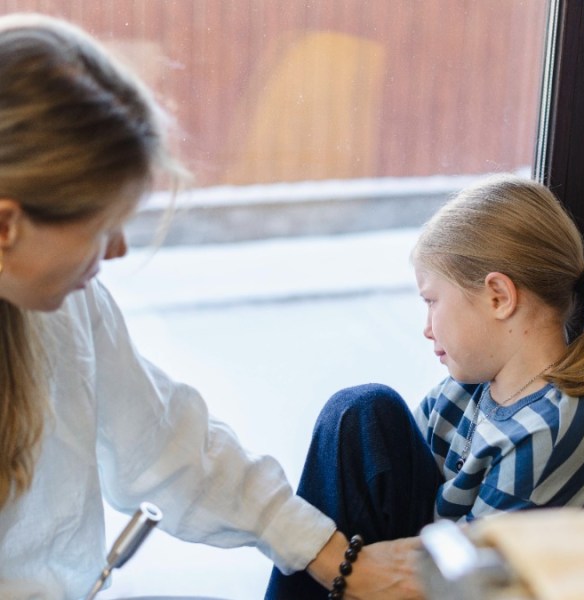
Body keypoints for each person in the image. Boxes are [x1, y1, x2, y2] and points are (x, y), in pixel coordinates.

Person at [0, 13, 420, 600]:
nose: (119, 250)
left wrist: (336, 559)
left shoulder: (69, 306)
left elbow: (166, 441)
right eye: (101, 227)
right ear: (6, 226)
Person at [266, 173, 584, 599]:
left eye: (432, 301)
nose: (427, 328)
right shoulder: (465, 393)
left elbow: (470, 587)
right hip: (456, 569)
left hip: (476, 589)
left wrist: (344, 568)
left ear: (499, 297)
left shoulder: (553, 432)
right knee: (362, 412)